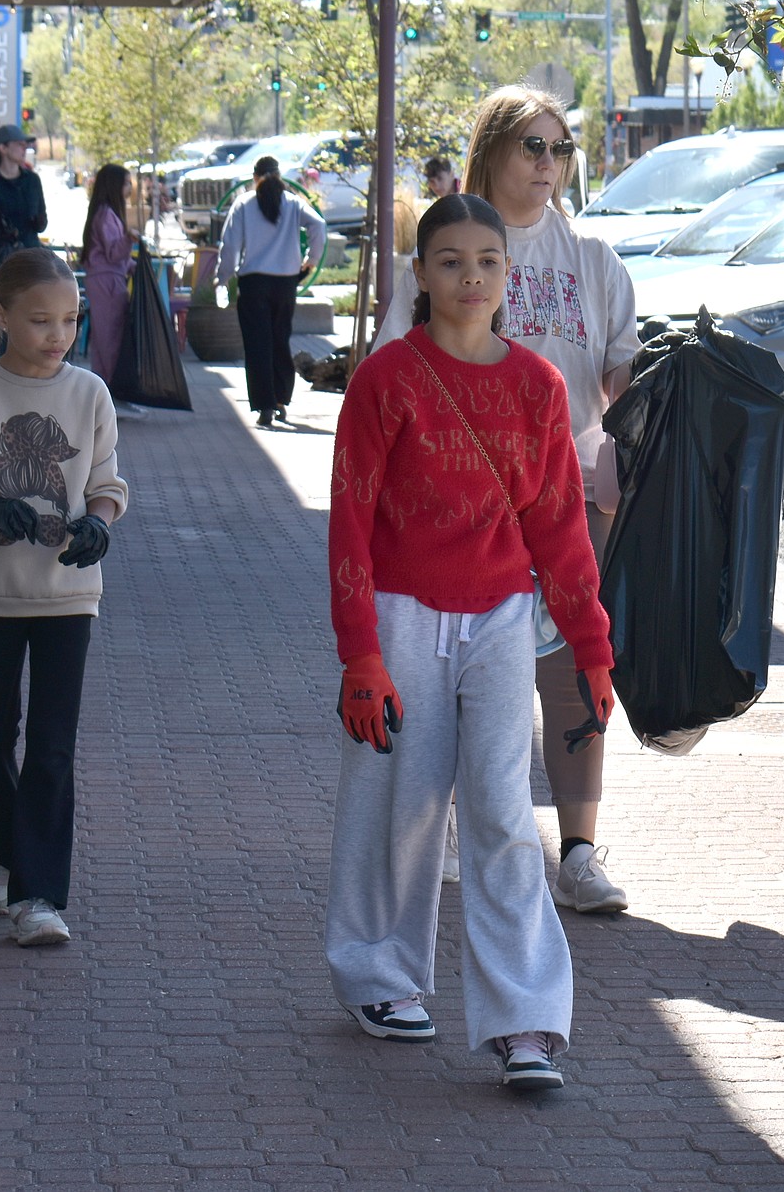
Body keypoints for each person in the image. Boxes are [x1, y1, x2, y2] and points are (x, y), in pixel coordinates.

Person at [325, 193, 614, 1091]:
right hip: (404, 616)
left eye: (487, 260)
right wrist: (361, 654)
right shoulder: (387, 380)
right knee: (399, 800)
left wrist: (592, 647)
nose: (471, 277)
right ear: (420, 274)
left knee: (499, 811)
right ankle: (379, 974)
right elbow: (351, 522)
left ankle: (525, 1021)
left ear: (507, 274)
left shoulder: (538, 387)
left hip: (498, 621)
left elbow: (561, 528)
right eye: (450, 261)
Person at [375, 85, 639, 914]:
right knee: (456, 673)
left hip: (572, 496)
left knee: (571, 671)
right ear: (491, 148)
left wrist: (620, 446)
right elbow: (396, 370)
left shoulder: (592, 256)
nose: (549, 164)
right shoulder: (451, 249)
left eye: (560, 148)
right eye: (534, 146)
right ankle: (442, 826)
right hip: (462, 506)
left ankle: (581, 853)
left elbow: (621, 368)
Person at [0, 247, 129, 947]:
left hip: (69, 593)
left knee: (52, 745)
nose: (58, 335)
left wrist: (99, 521)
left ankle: (37, 895)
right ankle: (5, 854)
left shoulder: (90, 394)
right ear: (0, 314)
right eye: (41, 320)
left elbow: (106, 481)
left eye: (70, 319)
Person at [215, 155, 327, 428]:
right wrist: (311, 259)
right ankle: (280, 400)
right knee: (280, 339)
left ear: (255, 178)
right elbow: (319, 226)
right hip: (285, 282)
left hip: (253, 282)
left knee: (257, 344)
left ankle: (264, 404)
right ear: (278, 176)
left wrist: (222, 277)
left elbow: (229, 247)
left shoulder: (243, 204)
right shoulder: (292, 203)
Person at [0, 124, 48, 359]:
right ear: (3, 148)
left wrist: (37, 221)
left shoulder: (32, 180)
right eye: (20, 144)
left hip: (28, 265)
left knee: (28, 329)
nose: (25, 148)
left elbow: (42, 222)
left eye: (26, 144)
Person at [81, 163, 143, 392]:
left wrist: (131, 265)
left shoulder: (105, 213)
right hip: (106, 282)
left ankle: (106, 390)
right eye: (126, 183)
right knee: (109, 339)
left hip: (107, 278)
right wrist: (129, 239)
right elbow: (114, 252)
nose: (129, 188)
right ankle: (109, 391)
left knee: (105, 337)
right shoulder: (106, 214)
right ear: (114, 185)